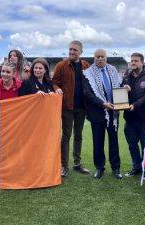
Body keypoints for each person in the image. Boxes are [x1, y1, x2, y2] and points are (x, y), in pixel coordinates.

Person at [52, 40, 90, 177]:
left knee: (78, 136)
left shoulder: (86, 65)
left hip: (82, 107)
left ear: (81, 52)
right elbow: (54, 83)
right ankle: (64, 166)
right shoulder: (61, 65)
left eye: (75, 50)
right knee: (66, 136)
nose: (72, 52)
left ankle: (77, 164)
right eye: (70, 49)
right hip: (67, 107)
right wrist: (57, 89)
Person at [83, 49, 122, 179]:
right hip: (97, 113)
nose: (100, 58)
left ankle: (116, 168)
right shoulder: (88, 73)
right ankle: (99, 168)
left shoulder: (113, 70)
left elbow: (119, 86)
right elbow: (87, 94)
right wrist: (102, 104)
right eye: (97, 57)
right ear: (94, 58)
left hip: (113, 112)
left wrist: (125, 88)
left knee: (114, 141)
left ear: (106, 58)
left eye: (102, 56)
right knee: (98, 142)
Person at [122, 53, 145, 179]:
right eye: (131, 61)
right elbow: (120, 93)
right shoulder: (126, 76)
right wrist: (123, 88)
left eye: (136, 61)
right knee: (132, 145)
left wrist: (135, 105)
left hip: (144, 119)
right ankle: (136, 167)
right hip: (129, 119)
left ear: (142, 62)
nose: (133, 63)